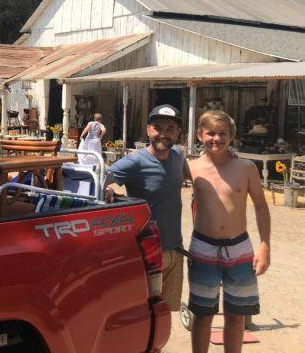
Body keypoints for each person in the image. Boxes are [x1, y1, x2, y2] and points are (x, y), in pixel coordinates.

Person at [188, 111, 270, 353]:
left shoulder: (245, 167)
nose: (216, 138)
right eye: (210, 133)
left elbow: (261, 205)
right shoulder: (190, 167)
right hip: (203, 246)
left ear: (231, 136)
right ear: (199, 135)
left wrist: (264, 246)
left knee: (237, 315)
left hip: (239, 247)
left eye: (222, 133)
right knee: (202, 315)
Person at [104, 104, 188, 312]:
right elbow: (99, 176)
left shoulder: (178, 155)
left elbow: (195, 172)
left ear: (178, 133)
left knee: (167, 312)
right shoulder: (135, 162)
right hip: (148, 251)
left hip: (175, 250)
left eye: (170, 129)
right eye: (158, 128)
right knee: (147, 314)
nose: (163, 134)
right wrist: (107, 191)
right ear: (148, 130)